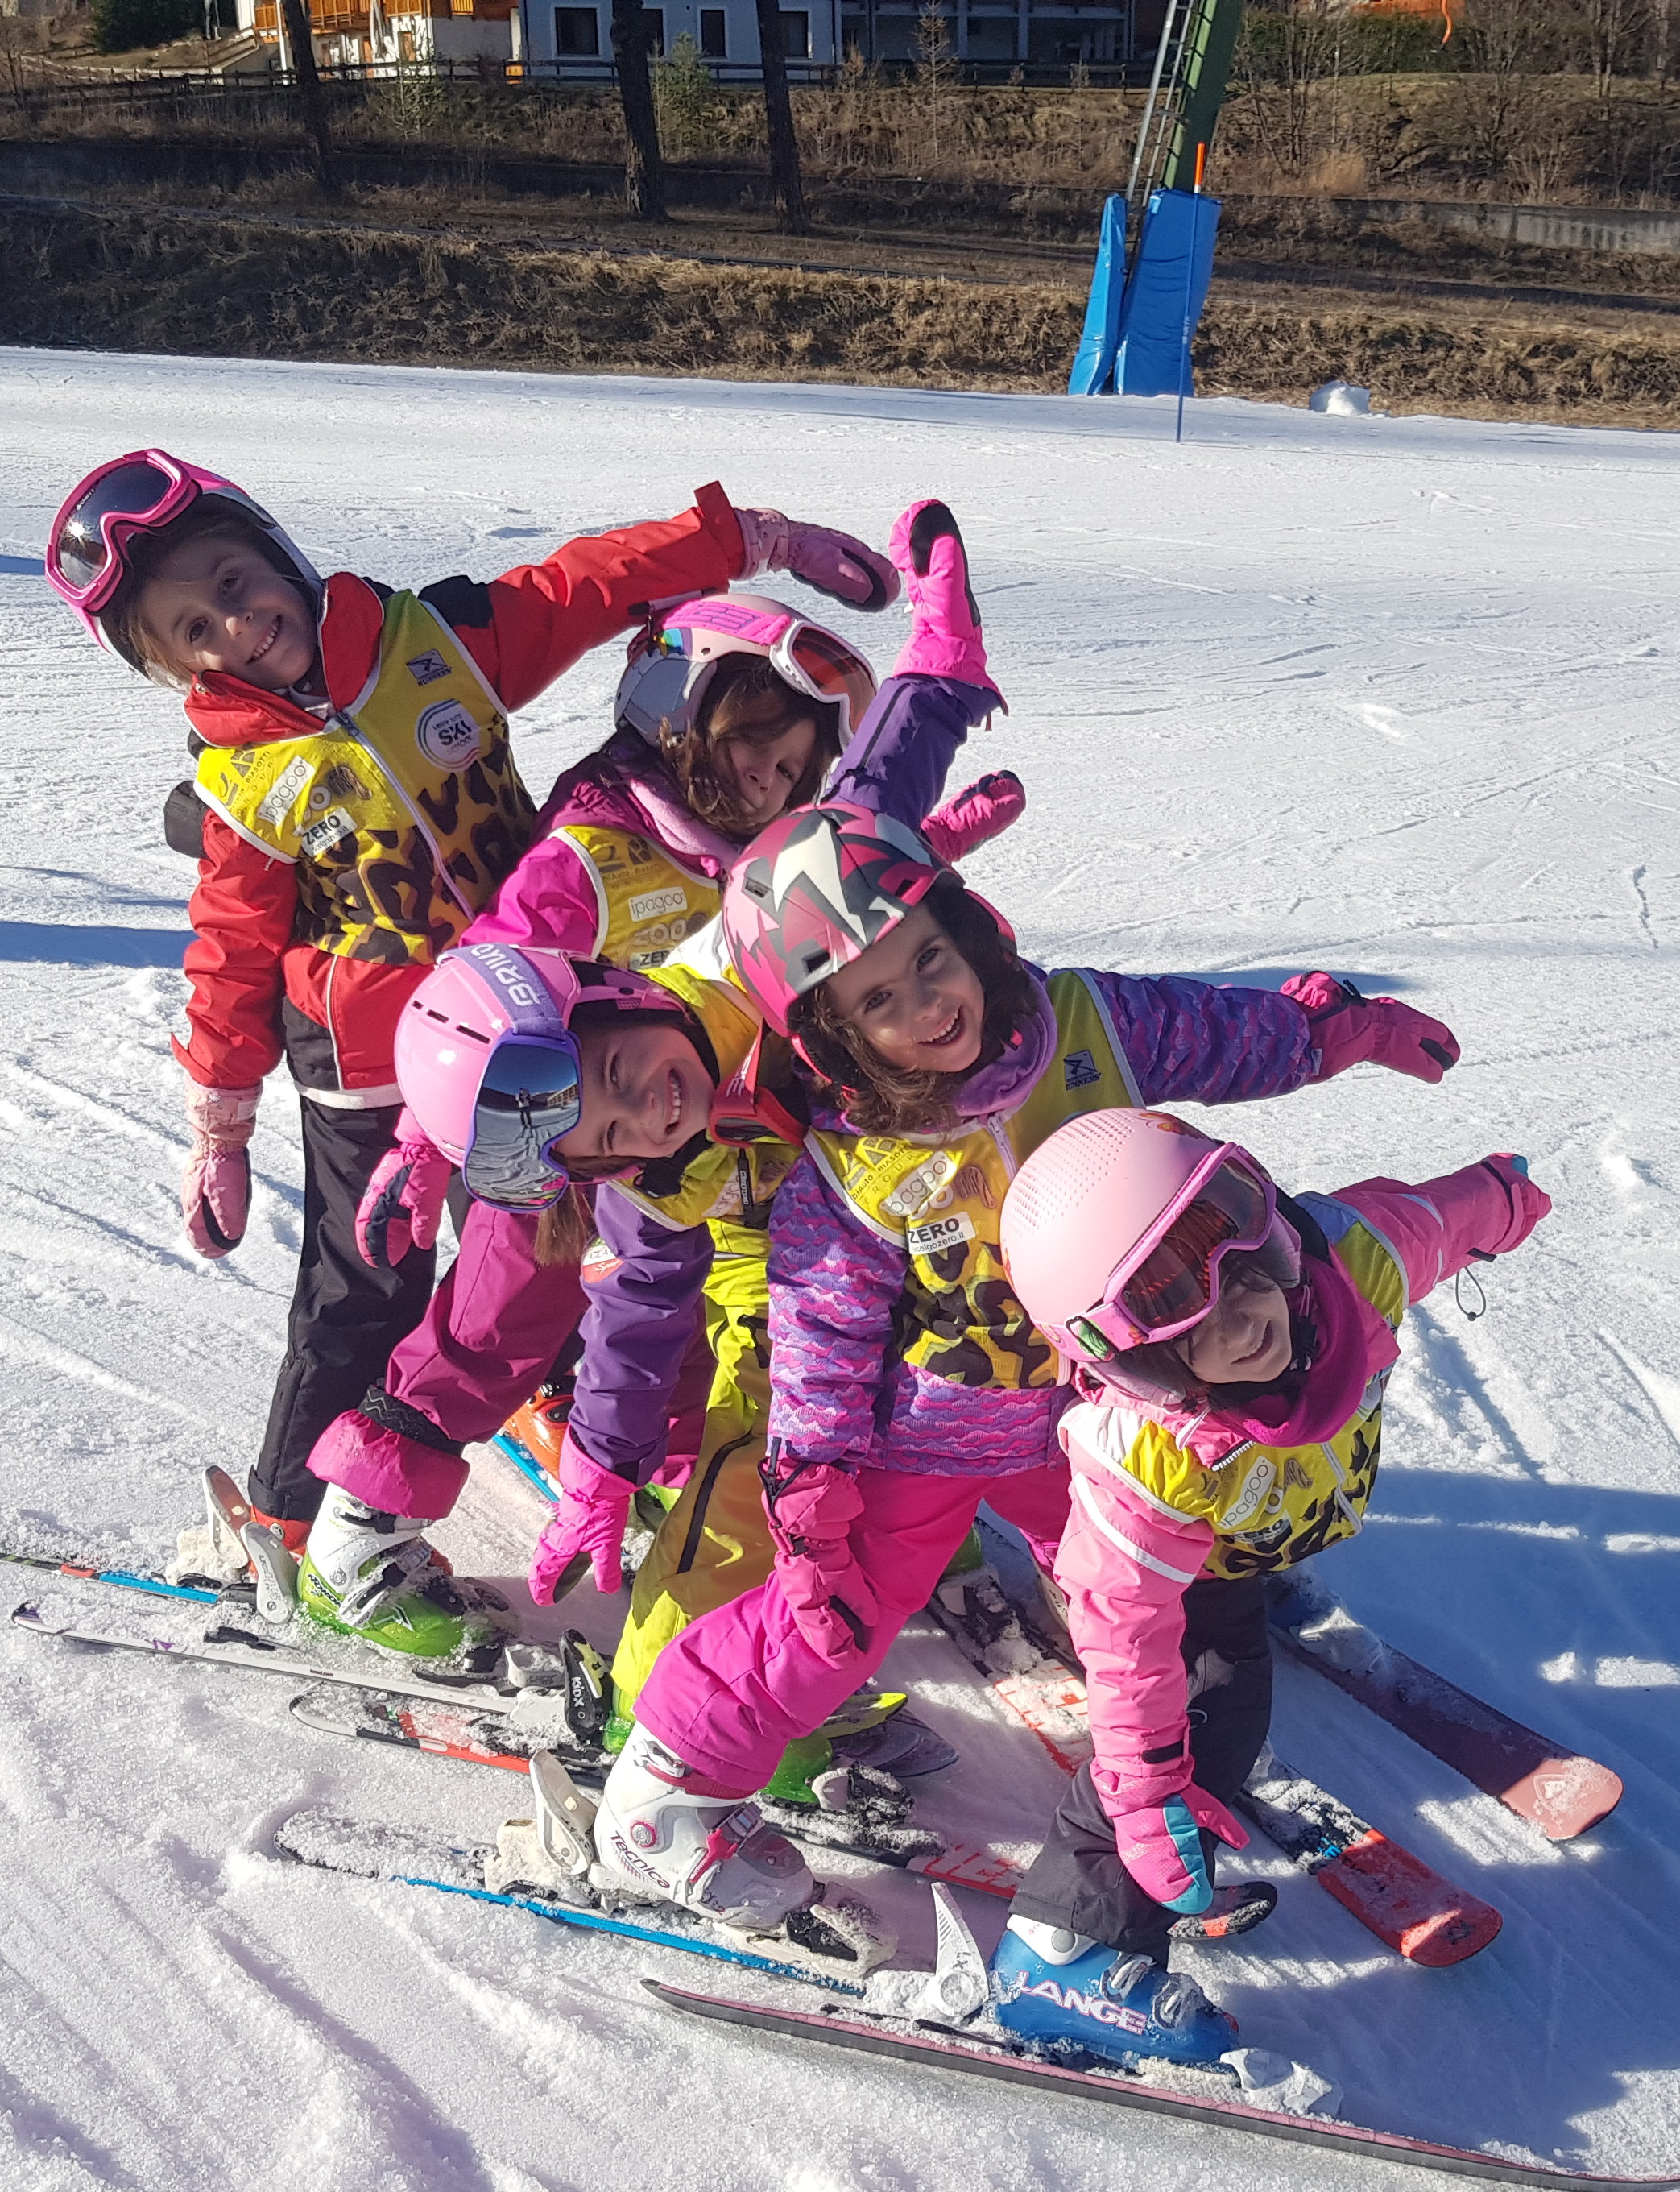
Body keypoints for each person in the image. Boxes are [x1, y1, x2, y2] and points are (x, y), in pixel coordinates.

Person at [581, 502, 1470, 1942]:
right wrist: (810, 1484)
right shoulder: (854, 1166)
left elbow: (1220, 1034)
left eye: (927, 959)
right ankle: (666, 1787)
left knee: (1160, 1579)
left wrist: (1342, 1031)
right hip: (934, 1431)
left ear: (967, 931)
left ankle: (1162, 1758)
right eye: (878, 1000)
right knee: (825, 1623)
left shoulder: (1075, 1024)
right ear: (832, 1031)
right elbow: (822, 1331)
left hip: (1106, 1401)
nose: (925, 1006)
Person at [43, 451, 895, 1631]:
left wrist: (759, 541)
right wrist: (220, 1126)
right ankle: (299, 1521)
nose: (239, 626)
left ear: (275, 550)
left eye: (236, 582)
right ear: (179, 665)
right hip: (368, 1066)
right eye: (198, 629)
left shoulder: (430, 640)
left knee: (552, 1232)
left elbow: (586, 586)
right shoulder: (245, 781)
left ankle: (586, 1404)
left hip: (534, 1019)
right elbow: (231, 952)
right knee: (368, 1286)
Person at [308, 574, 1024, 1688]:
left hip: (713, 1141)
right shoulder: (597, 849)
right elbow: (488, 977)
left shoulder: (760, 857)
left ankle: (714, 1479)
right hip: (561, 1134)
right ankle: (359, 1526)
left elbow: (866, 805)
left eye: (791, 761)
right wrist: (427, 1141)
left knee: (766, 1311)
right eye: (751, 743)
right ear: (674, 715)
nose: (769, 774)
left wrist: (934, 703)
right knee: (509, 1310)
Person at [989, 1107, 1549, 2067]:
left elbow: (1437, 1219)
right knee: (1209, 1720)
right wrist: (1147, 1797)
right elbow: (1127, 1644)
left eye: (1244, 1261)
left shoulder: (1354, 1262)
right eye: (1187, 1310)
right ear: (1135, 1356)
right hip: (1194, 1575)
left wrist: (1502, 1198)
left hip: (1259, 1522)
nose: (1245, 1312)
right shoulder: (1144, 1460)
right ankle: (1061, 1950)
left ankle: (1266, 1553)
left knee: (1248, 1561)